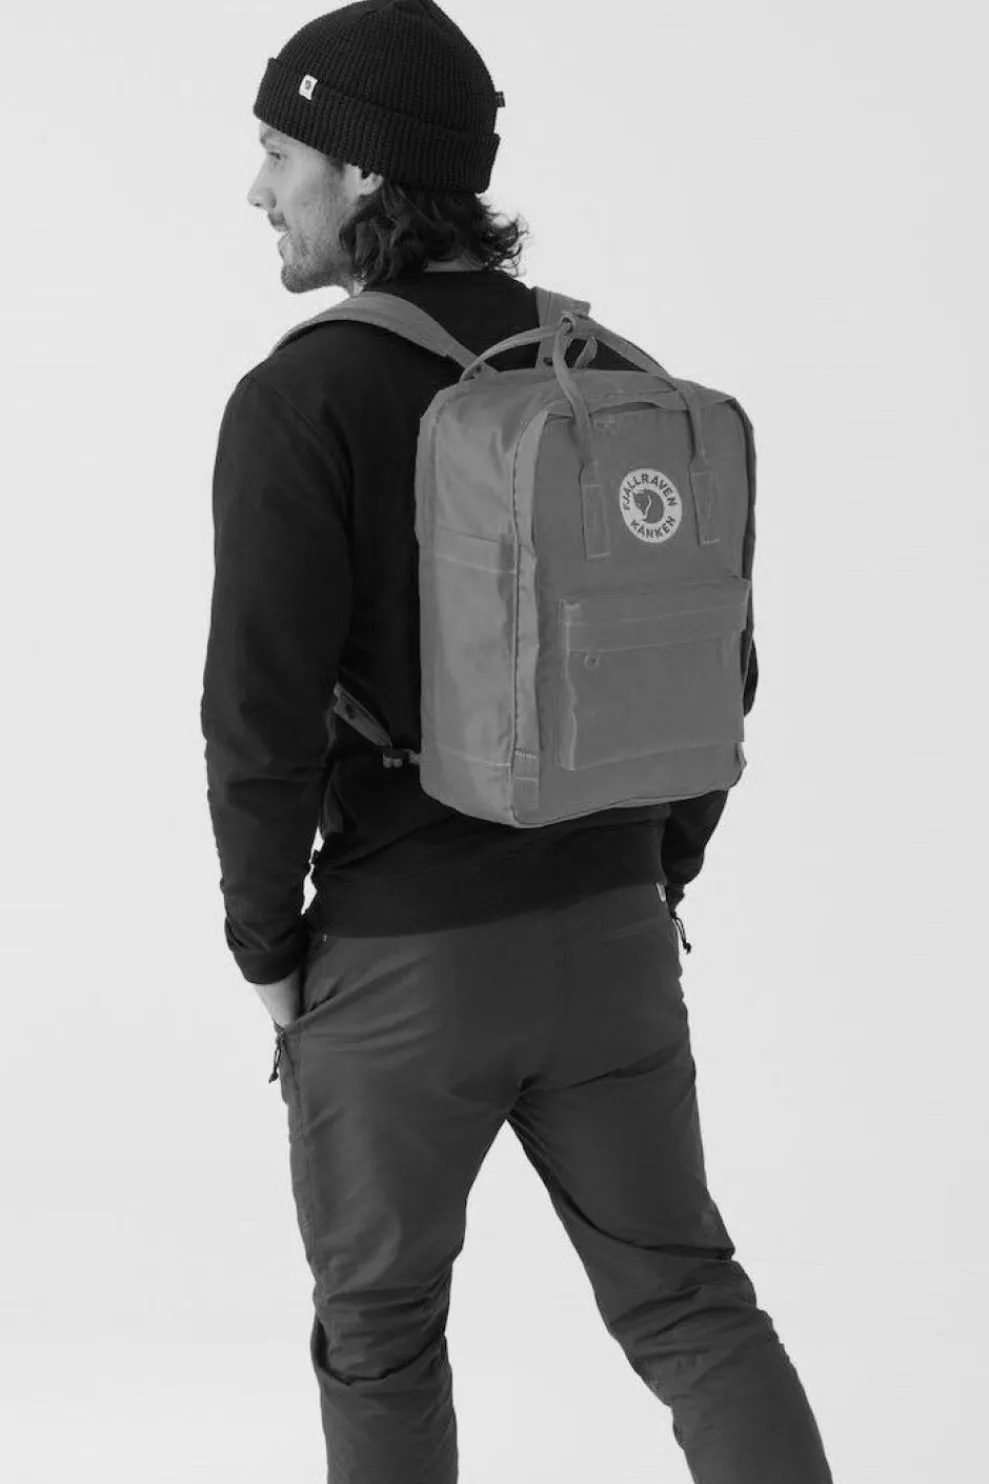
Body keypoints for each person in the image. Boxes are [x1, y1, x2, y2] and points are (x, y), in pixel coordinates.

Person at [199, 3, 834, 1480]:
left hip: (404, 966)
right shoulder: (617, 371)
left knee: (381, 1334)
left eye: (280, 150)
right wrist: (651, 873)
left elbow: (257, 716)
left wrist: (267, 949)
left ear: (363, 169)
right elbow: (714, 666)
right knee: (691, 1306)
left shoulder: (301, 397)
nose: (257, 188)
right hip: (613, 938)